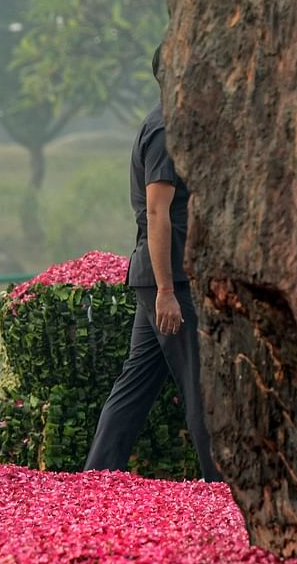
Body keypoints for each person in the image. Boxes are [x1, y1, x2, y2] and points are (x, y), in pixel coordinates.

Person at [84, 47, 222, 482]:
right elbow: (158, 210)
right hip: (170, 279)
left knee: (136, 385)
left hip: (160, 275)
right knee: (199, 384)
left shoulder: (173, 124)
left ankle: (96, 479)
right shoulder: (165, 128)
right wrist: (165, 290)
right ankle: (221, 487)